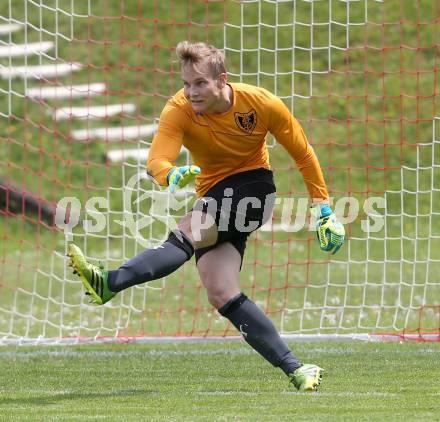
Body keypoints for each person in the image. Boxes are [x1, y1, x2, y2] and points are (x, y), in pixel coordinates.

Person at [68, 41, 345, 392]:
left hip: (254, 189)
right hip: (214, 197)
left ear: (221, 80)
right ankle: (298, 369)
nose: (190, 92)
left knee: (185, 233)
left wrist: (324, 209)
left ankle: (109, 282)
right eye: (186, 83)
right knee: (221, 292)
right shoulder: (179, 108)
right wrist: (170, 174)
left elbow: (303, 153)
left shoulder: (260, 103)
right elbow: (157, 159)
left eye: (199, 83)